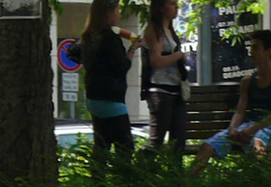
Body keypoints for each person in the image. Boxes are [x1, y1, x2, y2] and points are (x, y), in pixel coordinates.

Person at [191, 29, 271, 171]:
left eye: (256, 48)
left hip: (267, 127)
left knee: (258, 145)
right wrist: (233, 129)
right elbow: (240, 111)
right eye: (251, 48)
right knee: (206, 147)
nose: (251, 52)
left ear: (269, 51)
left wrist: (252, 130)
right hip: (246, 126)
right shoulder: (248, 81)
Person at [70, 0, 141, 156]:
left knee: (102, 145)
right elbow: (121, 68)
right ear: (108, 13)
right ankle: (121, 179)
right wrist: (132, 50)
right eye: (117, 10)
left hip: (93, 99)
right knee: (125, 148)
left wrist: (93, 63)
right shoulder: (110, 38)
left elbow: (72, 52)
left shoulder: (89, 36)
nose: (119, 14)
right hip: (112, 99)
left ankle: (97, 178)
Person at [143, 0, 189, 154]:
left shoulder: (170, 30)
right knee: (157, 139)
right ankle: (143, 171)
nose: (176, 7)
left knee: (179, 140)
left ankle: (175, 174)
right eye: (171, 3)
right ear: (161, 7)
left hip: (177, 89)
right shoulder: (154, 30)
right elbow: (156, 61)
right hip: (160, 89)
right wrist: (178, 55)